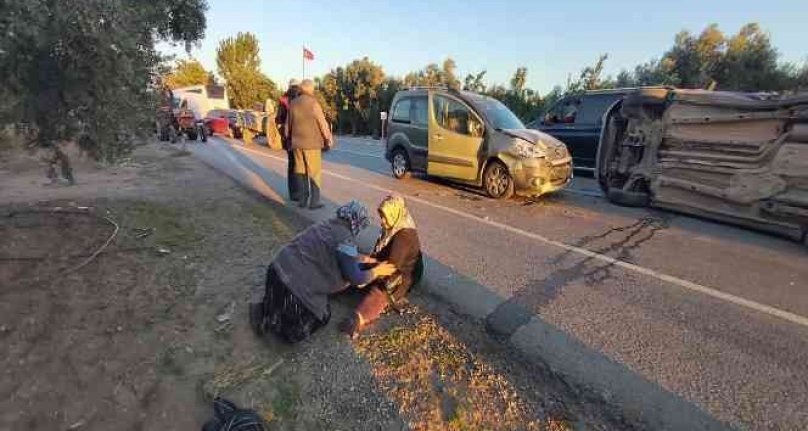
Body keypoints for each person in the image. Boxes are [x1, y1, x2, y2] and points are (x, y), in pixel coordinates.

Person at [250, 201, 397, 343]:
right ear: (358, 223)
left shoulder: (325, 225)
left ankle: (265, 310)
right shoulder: (345, 240)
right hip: (292, 289)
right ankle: (276, 326)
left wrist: (359, 258)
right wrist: (377, 271)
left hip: (275, 271)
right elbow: (356, 278)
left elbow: (327, 250)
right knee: (321, 316)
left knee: (279, 299)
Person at [341, 196, 422, 338]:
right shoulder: (392, 228)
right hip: (385, 264)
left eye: (385, 217)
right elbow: (378, 255)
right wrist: (365, 265)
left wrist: (368, 276)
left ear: (395, 214)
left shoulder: (404, 237)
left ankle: (358, 318)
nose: (382, 221)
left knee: (379, 291)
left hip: (400, 276)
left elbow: (391, 268)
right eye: (381, 217)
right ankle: (335, 287)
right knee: (355, 269)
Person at [285, 79, 332, 210]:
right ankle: (314, 202)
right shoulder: (313, 103)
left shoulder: (293, 103)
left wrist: (288, 139)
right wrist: (328, 138)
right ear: (310, 89)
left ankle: (302, 200)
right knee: (314, 173)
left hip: (297, 144)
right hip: (312, 144)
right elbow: (322, 123)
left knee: (300, 172)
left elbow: (287, 126)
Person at [276, 79, 301, 201]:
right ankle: (303, 192)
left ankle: (293, 193)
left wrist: (283, 135)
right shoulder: (302, 97)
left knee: (292, 164)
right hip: (301, 136)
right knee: (302, 165)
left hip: (289, 138)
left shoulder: (283, 99)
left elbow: (278, 119)